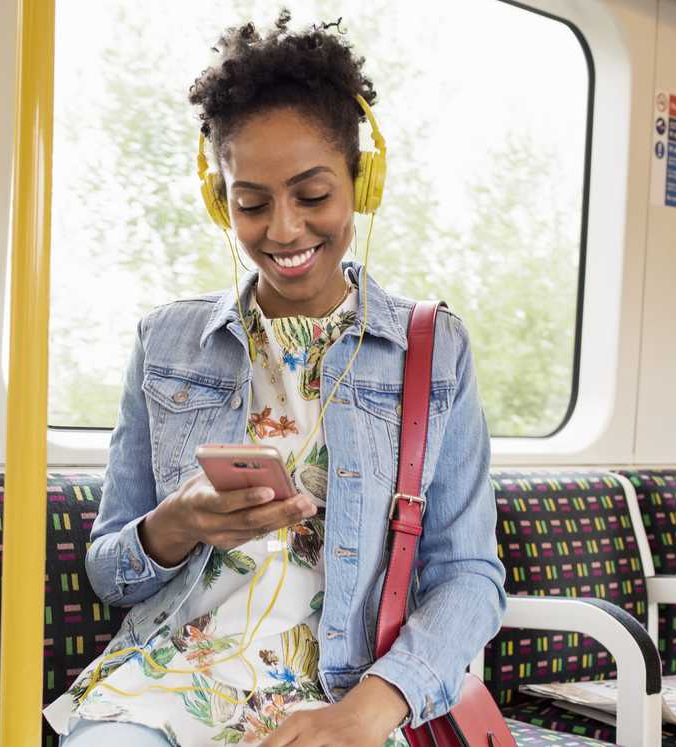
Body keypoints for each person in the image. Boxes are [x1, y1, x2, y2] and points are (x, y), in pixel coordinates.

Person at [43, 12, 506, 747]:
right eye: (251, 203)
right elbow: (109, 570)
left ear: (363, 180)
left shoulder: (433, 349)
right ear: (217, 198)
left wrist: (371, 708)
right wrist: (176, 525)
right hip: (165, 683)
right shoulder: (164, 343)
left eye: (312, 195)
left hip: (339, 692)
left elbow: (470, 577)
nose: (283, 230)